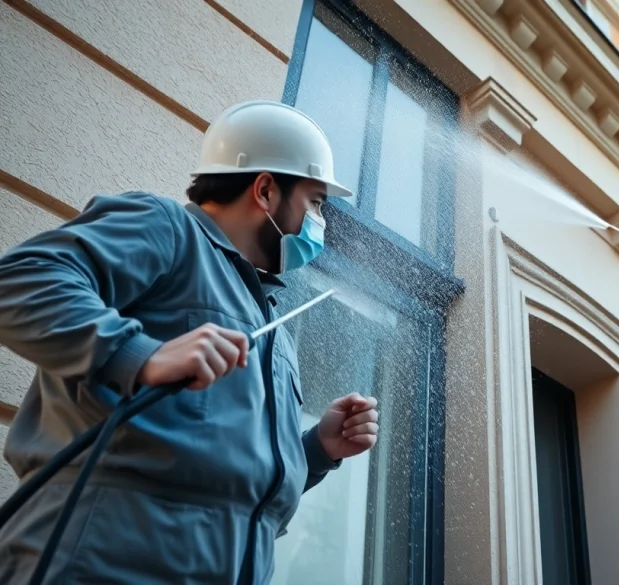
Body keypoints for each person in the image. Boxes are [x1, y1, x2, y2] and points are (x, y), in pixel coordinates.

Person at [0, 100, 379, 584]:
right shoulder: (167, 228)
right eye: (315, 202)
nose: (318, 222)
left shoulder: (269, 320)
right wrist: (141, 354)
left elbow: (232, 489)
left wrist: (318, 450)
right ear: (265, 190)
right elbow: (20, 280)